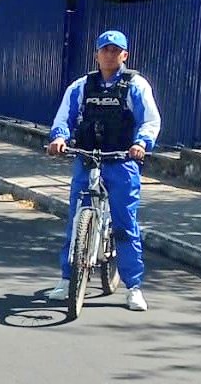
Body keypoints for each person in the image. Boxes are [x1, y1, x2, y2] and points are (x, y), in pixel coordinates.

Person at [46, 30, 161, 312]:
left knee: (124, 225)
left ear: (125, 55)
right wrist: (59, 138)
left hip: (122, 161)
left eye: (115, 50)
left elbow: (150, 119)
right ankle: (66, 279)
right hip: (86, 158)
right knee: (75, 220)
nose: (109, 54)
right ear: (97, 54)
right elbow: (65, 116)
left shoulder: (136, 85)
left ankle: (133, 287)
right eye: (105, 49)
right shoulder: (82, 86)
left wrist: (141, 143)